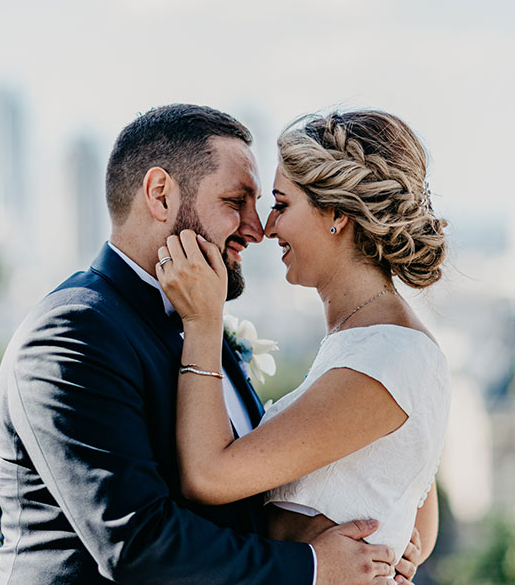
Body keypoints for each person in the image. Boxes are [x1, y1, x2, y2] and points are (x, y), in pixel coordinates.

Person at [0, 103, 411, 584]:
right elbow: (139, 544)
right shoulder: (72, 335)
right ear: (161, 196)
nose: (257, 230)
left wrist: (368, 530)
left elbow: (243, 504)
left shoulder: (201, 322)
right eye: (237, 202)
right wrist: (313, 568)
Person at [156, 110, 450, 584]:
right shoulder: (374, 345)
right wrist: (397, 542)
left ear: (337, 215)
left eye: (281, 204)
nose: (267, 228)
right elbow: (419, 518)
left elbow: (208, 475)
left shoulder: (386, 359)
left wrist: (202, 322)